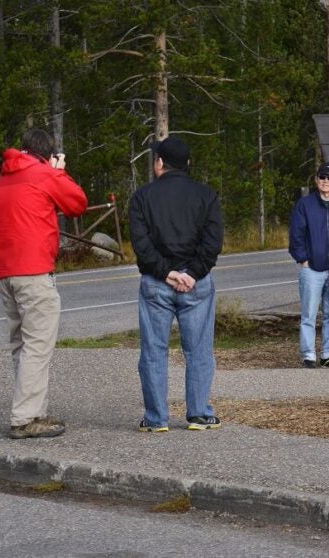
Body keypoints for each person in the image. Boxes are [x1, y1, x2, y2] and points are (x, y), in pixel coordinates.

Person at [0, 128, 87, 439]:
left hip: (6, 272)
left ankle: (34, 411)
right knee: (38, 345)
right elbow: (77, 203)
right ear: (46, 154)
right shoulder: (44, 174)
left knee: (22, 345)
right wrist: (58, 172)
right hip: (33, 271)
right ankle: (24, 418)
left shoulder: (4, 178)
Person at [129, 136, 224, 432]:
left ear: (160, 164)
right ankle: (199, 414)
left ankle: (157, 418)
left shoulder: (142, 197)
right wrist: (193, 273)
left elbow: (141, 244)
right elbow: (213, 242)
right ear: (188, 164)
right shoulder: (206, 196)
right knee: (198, 350)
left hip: (157, 282)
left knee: (154, 350)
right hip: (196, 283)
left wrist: (166, 272)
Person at [288, 162, 329, 369]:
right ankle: (308, 355)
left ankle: (328, 354)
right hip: (311, 269)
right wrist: (303, 259)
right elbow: (296, 234)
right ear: (316, 179)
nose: (325, 181)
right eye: (322, 177)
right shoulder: (305, 204)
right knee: (309, 314)